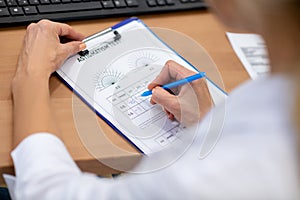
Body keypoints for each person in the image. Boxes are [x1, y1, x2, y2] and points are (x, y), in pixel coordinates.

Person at [7, 0, 300, 199]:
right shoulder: (273, 95)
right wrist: (209, 124)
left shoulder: (209, 179)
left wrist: (31, 74)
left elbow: (49, 193)